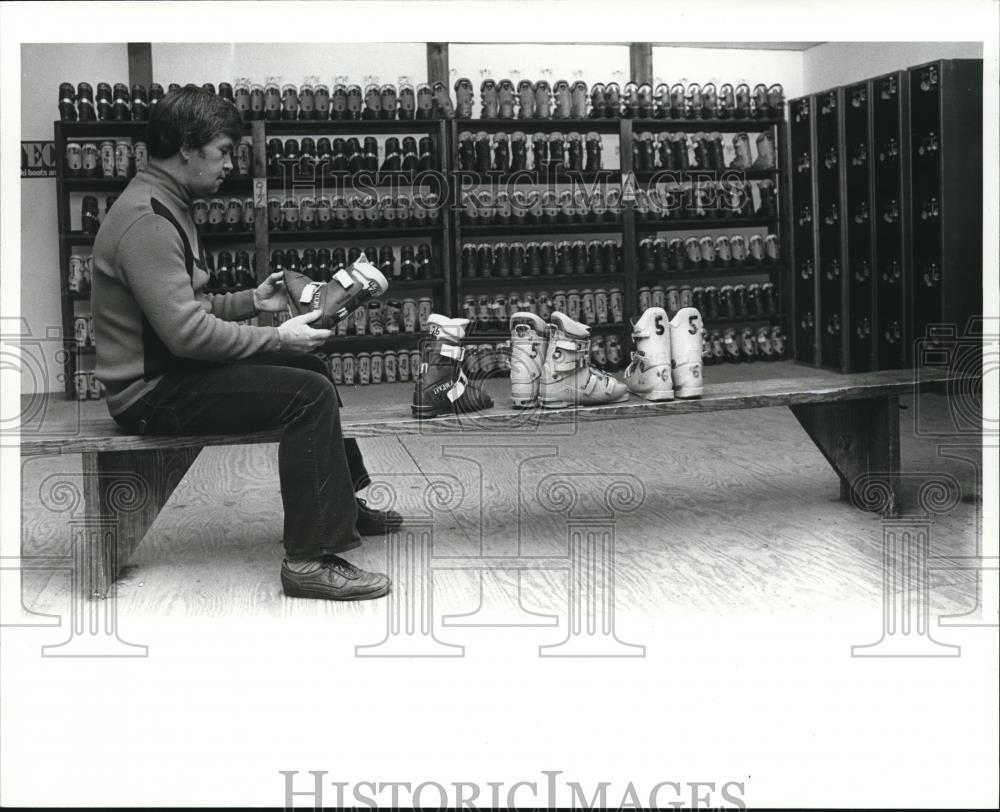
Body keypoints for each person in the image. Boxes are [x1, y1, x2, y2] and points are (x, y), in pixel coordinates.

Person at [92, 85, 397, 601]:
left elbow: (183, 310)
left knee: (315, 375)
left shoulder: (167, 201)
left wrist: (253, 301)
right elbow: (186, 335)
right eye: (224, 151)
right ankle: (309, 558)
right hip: (150, 394)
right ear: (187, 147)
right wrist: (277, 337)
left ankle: (340, 502)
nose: (230, 163)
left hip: (169, 373)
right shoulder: (148, 220)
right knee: (309, 394)